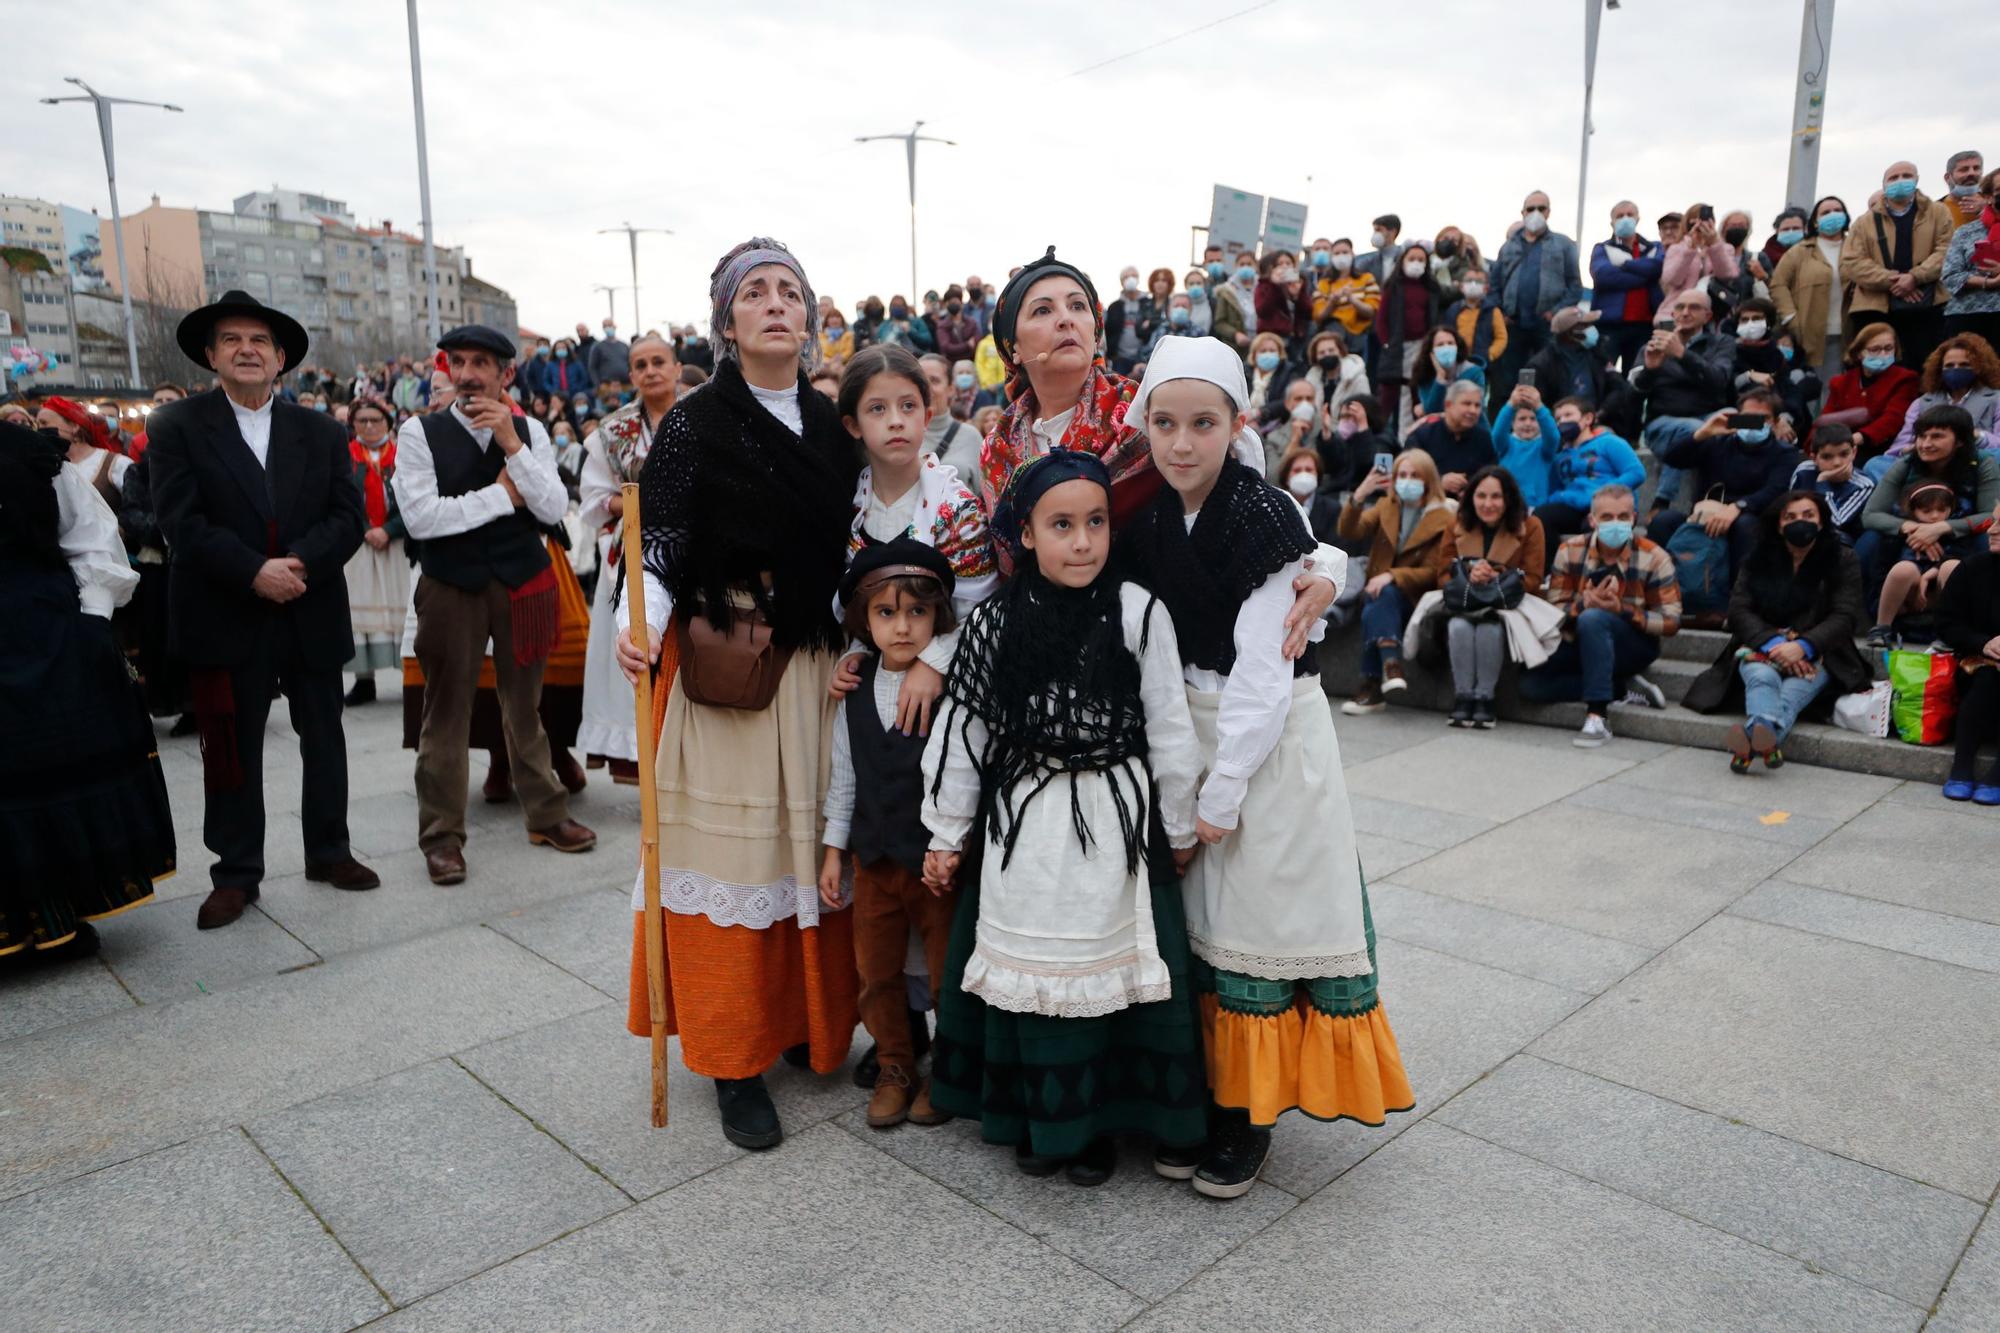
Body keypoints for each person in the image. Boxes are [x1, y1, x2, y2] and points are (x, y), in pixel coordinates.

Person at [1113, 336, 1410, 1196]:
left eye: (1202, 423)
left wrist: (1222, 789)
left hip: (1265, 743)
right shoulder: (1152, 517)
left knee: (1260, 920)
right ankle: (1214, 1092)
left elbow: (1262, 667)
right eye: (1164, 423)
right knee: (1206, 919)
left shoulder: (1264, 513)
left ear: (1236, 423)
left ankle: (1252, 1117)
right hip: (1190, 727)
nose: (1180, 443)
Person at [615, 238, 863, 1151]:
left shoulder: (831, 427)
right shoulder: (696, 422)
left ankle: (800, 1023)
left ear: (810, 315)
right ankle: (730, 1056)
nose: (774, 305)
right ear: (726, 322)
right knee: (734, 858)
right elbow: (667, 538)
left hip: (811, 662)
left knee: (803, 850)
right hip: (727, 665)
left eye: (789, 291)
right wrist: (639, 622)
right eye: (754, 293)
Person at [920, 450, 1207, 1187]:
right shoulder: (994, 621)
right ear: (1023, 535)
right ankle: (1036, 1115)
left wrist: (1176, 827)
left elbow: (1170, 726)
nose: (1081, 541)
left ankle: (1104, 1122)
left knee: (1114, 961)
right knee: (1034, 966)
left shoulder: (1140, 611)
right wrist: (948, 831)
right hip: (1027, 828)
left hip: (1116, 823)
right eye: (1061, 525)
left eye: (1095, 523)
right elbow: (966, 730)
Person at [145, 291, 379, 929]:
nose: (246, 350)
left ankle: (330, 851)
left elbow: (347, 517)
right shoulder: (176, 428)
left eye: (259, 342)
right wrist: (253, 571)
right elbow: (180, 522)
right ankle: (236, 872)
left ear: (281, 360)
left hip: (308, 604)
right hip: (225, 610)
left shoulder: (323, 432)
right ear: (210, 355)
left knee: (324, 739)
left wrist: (298, 564)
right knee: (231, 747)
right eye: (232, 341)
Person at [393, 324, 597, 885]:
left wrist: (512, 445)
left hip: (521, 582)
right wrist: (501, 497)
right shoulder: (419, 433)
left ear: (506, 374)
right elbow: (422, 519)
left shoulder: (528, 429)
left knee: (524, 706)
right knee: (446, 712)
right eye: (458, 362)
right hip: (450, 584)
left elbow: (555, 505)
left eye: (481, 363)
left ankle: (547, 815)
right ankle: (441, 838)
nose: (466, 374)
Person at [0, 418, 175, 960]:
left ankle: (56, 916)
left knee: (40, 769)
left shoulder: (29, 455)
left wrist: (91, 625)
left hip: (39, 635)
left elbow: (93, 536)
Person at [819, 540, 962, 1130]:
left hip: (932, 863)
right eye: (886, 613)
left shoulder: (948, 684)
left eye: (916, 613)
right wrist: (834, 852)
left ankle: (949, 1069)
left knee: (943, 966)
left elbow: (962, 769)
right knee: (875, 971)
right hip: (873, 859)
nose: (902, 627)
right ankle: (895, 1065)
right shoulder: (855, 687)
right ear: (864, 619)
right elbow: (844, 775)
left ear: (937, 617)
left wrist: (953, 844)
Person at [1684, 490, 1867, 772]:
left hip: (1821, 652)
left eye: (1808, 515)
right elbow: (1739, 610)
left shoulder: (1842, 558)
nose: (1799, 522)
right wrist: (1773, 643)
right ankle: (1766, 743)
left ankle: (1749, 742)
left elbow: (1845, 616)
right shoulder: (1758, 557)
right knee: (1761, 676)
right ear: (1778, 524)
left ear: (1821, 521)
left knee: (1792, 692)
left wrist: (1803, 646)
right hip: (1761, 645)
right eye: (1790, 517)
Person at [575, 332, 679, 782]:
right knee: (636, 648)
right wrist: (638, 500)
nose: (651, 370)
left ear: (676, 367)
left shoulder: (703, 413)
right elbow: (594, 500)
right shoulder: (612, 431)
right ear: (631, 374)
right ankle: (640, 754)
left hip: (695, 549)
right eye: (641, 364)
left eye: (659, 361)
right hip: (632, 551)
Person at [1521, 485, 1681, 747]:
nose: (1615, 523)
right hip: (1579, 639)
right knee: (1530, 686)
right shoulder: (1570, 550)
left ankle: (1597, 716)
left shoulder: (1655, 556)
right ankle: (1620, 687)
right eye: (1607, 517)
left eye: (1622, 517)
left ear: (1634, 518)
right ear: (1592, 520)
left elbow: (1671, 621)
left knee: (1594, 619)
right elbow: (1554, 610)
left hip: (1633, 644)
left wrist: (1621, 610)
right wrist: (1583, 604)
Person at [1648, 387, 1801, 589]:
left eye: (1761, 418)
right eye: (1748, 418)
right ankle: (1664, 591)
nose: (1753, 424)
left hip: (1753, 517)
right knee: (1662, 521)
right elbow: (1672, 458)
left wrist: (1738, 507)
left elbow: (1775, 490)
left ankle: (1738, 597)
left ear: (1774, 422)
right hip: (1705, 517)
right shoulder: (1718, 442)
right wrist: (1702, 433)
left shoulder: (1784, 453)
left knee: (1745, 525)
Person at [1338, 448, 1452, 712]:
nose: (1407, 480)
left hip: (1416, 595)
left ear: (1427, 480)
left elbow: (1434, 570)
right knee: (1378, 600)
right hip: (1379, 592)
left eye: (1414, 475)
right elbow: (1349, 530)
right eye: (1402, 474)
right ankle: (1390, 665)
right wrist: (1361, 494)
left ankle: (1371, 685)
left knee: (1378, 600)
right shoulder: (1385, 506)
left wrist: (1392, 575)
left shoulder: (1444, 517)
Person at [1434, 465, 1547, 727]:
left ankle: (1485, 698)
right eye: (1481, 496)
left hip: (1507, 606)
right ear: (1470, 498)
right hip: (1465, 602)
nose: (1488, 504)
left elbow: (1534, 578)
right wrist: (1469, 573)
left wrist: (1496, 575)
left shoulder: (1530, 526)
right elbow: (1442, 575)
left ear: (1508, 498)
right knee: (1459, 625)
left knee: (1489, 628)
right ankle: (1463, 697)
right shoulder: (1457, 525)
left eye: (1496, 497)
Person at [1863, 404, 2000, 618]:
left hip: (1961, 539)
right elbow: (1871, 515)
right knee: (1869, 540)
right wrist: (1912, 527)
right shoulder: (1906, 463)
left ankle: (1982, 614)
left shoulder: (1983, 463)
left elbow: (1991, 516)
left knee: (1989, 539)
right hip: (1911, 538)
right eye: (1921, 436)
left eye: (1936, 437)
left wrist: (1942, 527)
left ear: (1960, 441)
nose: (1925, 444)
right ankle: (1872, 614)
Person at [1630, 288, 1735, 518]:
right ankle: (1662, 501)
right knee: (1693, 430)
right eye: (1680, 307)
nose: (1685, 312)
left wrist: (1682, 354)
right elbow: (1635, 390)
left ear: (1707, 316)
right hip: (1663, 425)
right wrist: (1651, 369)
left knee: (1734, 418)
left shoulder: (1721, 343)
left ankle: (1721, 498)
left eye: (1694, 307)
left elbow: (1719, 380)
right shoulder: (1653, 344)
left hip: (1707, 415)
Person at [1843, 161, 1954, 370]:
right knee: (1877, 370)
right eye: (1893, 178)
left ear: (1917, 180)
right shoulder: (1863, 222)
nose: (1900, 181)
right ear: (1884, 185)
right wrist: (1894, 281)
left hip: (1926, 305)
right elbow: (1852, 262)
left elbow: (1946, 250)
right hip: (1875, 307)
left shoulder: (1938, 213)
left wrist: (1915, 277)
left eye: (1906, 176)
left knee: (1926, 368)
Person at [340, 398, 408, 706]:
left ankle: (412, 677)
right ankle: (364, 680)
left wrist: (389, 529)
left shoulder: (404, 454)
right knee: (360, 610)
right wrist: (366, 527)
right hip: (360, 543)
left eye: (375, 420)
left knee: (404, 609)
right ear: (353, 424)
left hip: (398, 544)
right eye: (362, 420)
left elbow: (415, 495)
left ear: (388, 423)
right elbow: (340, 497)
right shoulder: (344, 457)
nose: (368, 426)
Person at [1935, 505, 2000, 803]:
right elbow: (1947, 624)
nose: (1991, 530)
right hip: (1975, 665)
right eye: (1993, 521)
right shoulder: (1972, 568)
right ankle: (1961, 767)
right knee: (1988, 677)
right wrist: (1983, 643)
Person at [1535, 396, 1646, 563]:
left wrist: (1600, 496)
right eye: (1558, 419)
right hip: (1575, 508)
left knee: (1595, 524)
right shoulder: (1560, 457)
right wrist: (1566, 497)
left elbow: (1636, 473)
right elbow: (1554, 490)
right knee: (1542, 516)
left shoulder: (1609, 443)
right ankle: (1550, 572)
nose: (1562, 422)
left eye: (1568, 415)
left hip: (1610, 507)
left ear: (1588, 418)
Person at [1488, 189, 1584, 370]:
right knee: (1507, 378)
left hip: (1547, 327)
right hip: (1513, 326)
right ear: (1523, 213)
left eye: (1541, 208)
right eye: (1530, 209)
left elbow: (1575, 286)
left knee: (1548, 374)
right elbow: (1494, 284)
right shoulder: (1508, 246)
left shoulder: (1564, 244)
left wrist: (1556, 312)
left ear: (1549, 212)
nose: (1535, 213)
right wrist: (1501, 313)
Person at [1771, 196, 1853, 379]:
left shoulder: (1856, 247)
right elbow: (1778, 284)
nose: (1832, 215)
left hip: (1848, 331)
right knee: (1811, 386)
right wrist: (1790, 317)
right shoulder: (1800, 251)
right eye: (1825, 212)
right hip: (1809, 332)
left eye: (1837, 211)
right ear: (1815, 221)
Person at [1872, 481, 1965, 641]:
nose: (1935, 516)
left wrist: (1931, 573)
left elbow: (1962, 557)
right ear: (1914, 511)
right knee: (1903, 569)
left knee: (1952, 566)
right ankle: (1882, 628)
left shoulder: (1955, 532)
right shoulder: (1899, 534)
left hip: (1937, 594)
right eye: (1927, 511)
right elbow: (1883, 566)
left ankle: (1949, 631)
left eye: (1941, 510)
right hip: (1909, 596)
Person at [1822, 322, 1922, 459]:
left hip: (1881, 448)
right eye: (1875, 349)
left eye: (1888, 349)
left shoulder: (1905, 379)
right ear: (1859, 354)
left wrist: (1858, 438)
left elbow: (1893, 418)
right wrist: (1816, 448)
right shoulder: (1841, 382)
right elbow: (1826, 420)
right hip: (1841, 448)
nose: (1883, 354)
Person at [1590, 200, 1667, 370]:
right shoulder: (1602, 248)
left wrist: (1624, 264)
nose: (1625, 219)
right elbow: (1603, 276)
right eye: (1619, 216)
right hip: (1610, 326)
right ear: (1612, 222)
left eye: (1630, 215)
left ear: (1638, 218)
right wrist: (1645, 275)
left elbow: (1657, 268)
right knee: (1602, 374)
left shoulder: (1654, 247)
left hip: (1645, 327)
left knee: (1636, 375)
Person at [1374, 240, 1439, 427]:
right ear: (1403, 261)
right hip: (1397, 346)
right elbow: (1381, 319)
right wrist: (1386, 342)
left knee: (1414, 392)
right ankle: (1380, 435)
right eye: (1412, 258)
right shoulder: (1393, 286)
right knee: (1389, 392)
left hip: (1421, 345)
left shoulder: (1431, 288)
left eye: (1421, 259)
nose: (1416, 263)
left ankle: (1410, 436)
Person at [1403, 380, 1497, 500]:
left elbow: (1492, 473)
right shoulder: (1422, 436)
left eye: (1477, 405)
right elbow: (1406, 476)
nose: (1473, 411)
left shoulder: (1483, 438)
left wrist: (1472, 488)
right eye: (1466, 404)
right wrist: (1439, 482)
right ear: (1448, 405)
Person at [1789, 423, 1877, 550]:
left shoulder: (1863, 485)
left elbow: (1836, 523)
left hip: (1840, 540)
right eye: (1827, 457)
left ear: (1854, 452)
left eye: (1843, 454)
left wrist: (1823, 483)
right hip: (1802, 528)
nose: (1837, 463)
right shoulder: (1803, 471)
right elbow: (1789, 506)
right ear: (1814, 458)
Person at [1941, 168, 2000, 350]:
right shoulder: (1966, 232)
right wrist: (1988, 283)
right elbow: (1950, 276)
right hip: (1968, 317)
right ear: (1989, 196)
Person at [1490, 388, 1559, 510]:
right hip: (1506, 505)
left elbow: (1553, 436)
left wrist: (1539, 406)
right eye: (1522, 419)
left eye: (1533, 419)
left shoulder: (1544, 446)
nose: (1528, 423)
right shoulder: (1506, 443)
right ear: (1512, 423)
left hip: (1535, 506)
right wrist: (1511, 404)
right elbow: (1497, 434)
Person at [1661, 205, 1742, 305]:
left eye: (1703, 220)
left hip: (1713, 310)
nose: (1699, 225)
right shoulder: (1677, 248)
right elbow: (1672, 280)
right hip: (1677, 309)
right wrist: (1690, 249)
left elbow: (1728, 275)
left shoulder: (1725, 248)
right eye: (1694, 221)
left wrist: (1714, 246)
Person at [918, 352, 981, 481]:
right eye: (920, 381)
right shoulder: (902, 435)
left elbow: (987, 494)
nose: (926, 388)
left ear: (951, 389)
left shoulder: (971, 436)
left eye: (934, 380)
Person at [1312, 237, 1380, 346]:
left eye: (1345, 252)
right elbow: (1319, 316)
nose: (1341, 256)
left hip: (1360, 337)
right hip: (1332, 336)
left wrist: (1352, 299)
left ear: (1352, 254)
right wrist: (1333, 301)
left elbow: (1371, 311)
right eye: (1337, 253)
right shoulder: (1324, 284)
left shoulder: (1366, 279)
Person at [1412, 327, 1488, 422]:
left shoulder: (1473, 373)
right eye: (1440, 345)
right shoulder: (1424, 375)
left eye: (1450, 343)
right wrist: (1440, 378)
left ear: (1457, 347)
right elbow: (1432, 412)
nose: (1446, 348)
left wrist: (1426, 409)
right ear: (1431, 352)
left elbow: (1473, 410)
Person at [1441, 268, 1508, 370]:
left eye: (1479, 282)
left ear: (1486, 288)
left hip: (1482, 364)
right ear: (1461, 286)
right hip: (1456, 362)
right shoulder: (1453, 309)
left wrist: (1490, 354)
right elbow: (1445, 334)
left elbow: (1501, 337)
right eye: (1469, 280)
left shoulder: (1493, 311)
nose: (1473, 284)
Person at [1253, 250, 1314, 356]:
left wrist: (1298, 296)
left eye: (1288, 263)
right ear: (1272, 267)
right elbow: (1262, 311)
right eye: (1280, 264)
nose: (1285, 267)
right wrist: (1274, 285)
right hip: (1272, 337)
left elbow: (1308, 312)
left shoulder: (1299, 282)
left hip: (1295, 338)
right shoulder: (1264, 285)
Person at [1278, 441, 1342, 542]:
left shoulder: (1332, 509)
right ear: (1286, 476)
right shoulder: (1277, 508)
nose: (1303, 474)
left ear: (1318, 475)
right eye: (1297, 470)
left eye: (1309, 470)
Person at [1103, 266, 1157, 376]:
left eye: (1133, 276)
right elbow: (1109, 331)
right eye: (1126, 277)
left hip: (1144, 358)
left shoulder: (1148, 303)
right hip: (1120, 359)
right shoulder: (1114, 306)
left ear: (1138, 279)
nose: (1130, 279)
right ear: (1121, 282)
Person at [1211, 251, 1258, 353]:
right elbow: (1219, 323)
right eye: (1242, 264)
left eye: (1249, 264)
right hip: (1234, 347)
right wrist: (1235, 334)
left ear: (1256, 266)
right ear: (1236, 266)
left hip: (1258, 345)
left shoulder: (1263, 289)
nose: (1245, 267)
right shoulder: (1226, 291)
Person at [587, 319, 630, 387]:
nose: (608, 328)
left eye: (610, 325)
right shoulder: (598, 347)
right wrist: (598, 384)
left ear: (615, 326)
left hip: (626, 385)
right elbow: (592, 367)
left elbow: (630, 364)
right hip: (607, 386)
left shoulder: (624, 346)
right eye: (605, 326)